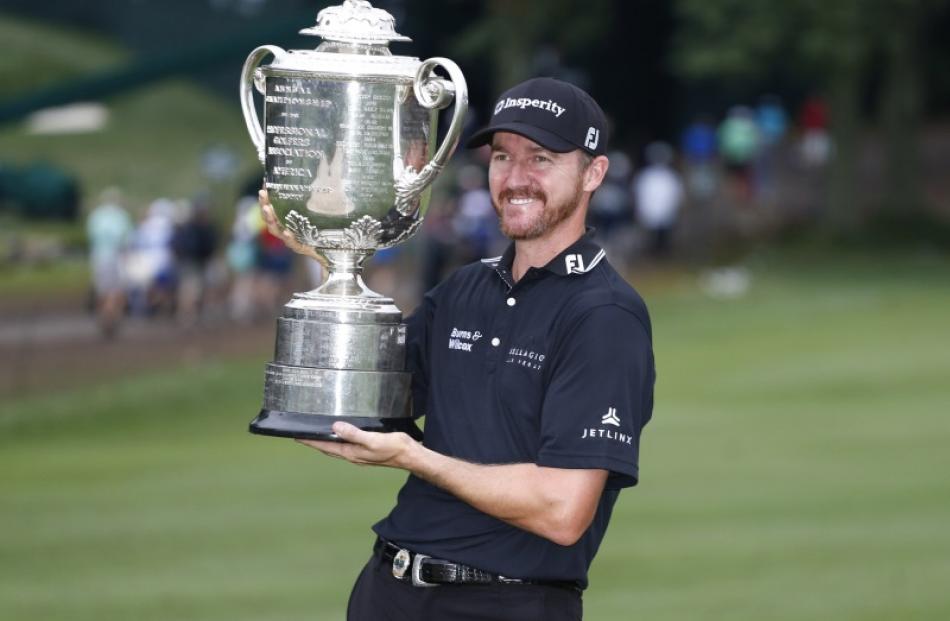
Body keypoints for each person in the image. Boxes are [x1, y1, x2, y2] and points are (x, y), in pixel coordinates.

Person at [260, 77, 656, 621]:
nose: (515, 179)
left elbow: (562, 510)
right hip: (388, 591)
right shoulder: (464, 290)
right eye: (501, 157)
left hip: (504, 602)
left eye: (540, 158)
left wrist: (415, 458)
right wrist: (326, 249)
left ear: (593, 173)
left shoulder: (604, 316)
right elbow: (361, 400)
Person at [86, 187, 133, 337]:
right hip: (115, 257)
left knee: (103, 290)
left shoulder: (96, 216)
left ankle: (105, 315)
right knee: (116, 290)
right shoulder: (121, 216)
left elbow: (91, 238)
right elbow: (127, 239)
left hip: (99, 257)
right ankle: (111, 316)